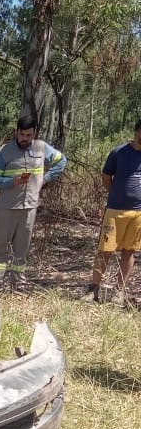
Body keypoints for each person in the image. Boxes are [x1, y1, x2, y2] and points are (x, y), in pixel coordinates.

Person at [0, 113, 67, 289]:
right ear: (16, 132)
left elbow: (61, 161)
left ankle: (18, 282)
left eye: (29, 135)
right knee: (1, 245)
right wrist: (11, 181)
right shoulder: (4, 151)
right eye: (22, 135)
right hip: (7, 207)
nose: (25, 139)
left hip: (30, 206)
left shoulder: (41, 148)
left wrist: (45, 179)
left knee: (22, 247)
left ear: (34, 133)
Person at [82, 119, 141, 304]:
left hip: (138, 213)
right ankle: (93, 290)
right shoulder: (119, 152)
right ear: (136, 131)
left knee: (129, 252)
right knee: (105, 251)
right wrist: (117, 194)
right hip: (115, 211)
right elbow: (106, 176)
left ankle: (119, 292)